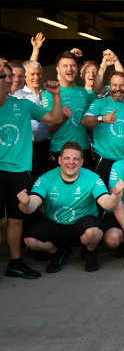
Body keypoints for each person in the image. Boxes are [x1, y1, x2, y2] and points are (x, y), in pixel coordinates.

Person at [18, 142, 124, 273]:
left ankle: (90, 252)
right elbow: (31, 206)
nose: (71, 162)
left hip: (82, 223)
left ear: (82, 162)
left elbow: (107, 203)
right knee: (29, 240)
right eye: (67, 158)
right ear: (59, 160)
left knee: (94, 232)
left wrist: (116, 195)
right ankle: (56, 252)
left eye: (76, 159)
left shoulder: (92, 178)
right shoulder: (46, 178)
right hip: (55, 224)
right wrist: (25, 203)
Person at [0, 61, 63, 279]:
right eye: (5, 76)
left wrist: (55, 95)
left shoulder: (24, 105)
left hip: (20, 171)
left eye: (10, 76)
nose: (10, 80)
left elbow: (55, 118)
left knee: (16, 219)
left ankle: (15, 263)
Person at [82, 71, 124, 185]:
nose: (118, 88)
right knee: (102, 196)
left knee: (122, 197)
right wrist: (102, 118)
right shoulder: (100, 103)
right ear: (110, 86)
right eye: (114, 85)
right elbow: (84, 121)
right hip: (104, 159)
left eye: (122, 85)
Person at [42, 51, 99, 170]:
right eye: (65, 66)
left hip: (83, 149)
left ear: (77, 69)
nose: (70, 69)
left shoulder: (86, 93)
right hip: (59, 150)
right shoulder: (49, 93)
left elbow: (89, 126)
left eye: (72, 65)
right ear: (58, 69)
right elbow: (49, 127)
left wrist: (97, 144)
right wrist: (62, 119)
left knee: (85, 187)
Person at [13, 60, 52, 177]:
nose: (36, 77)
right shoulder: (18, 95)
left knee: (47, 179)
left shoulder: (48, 94)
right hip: (28, 147)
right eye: (32, 74)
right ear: (25, 77)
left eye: (39, 73)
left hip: (48, 145)